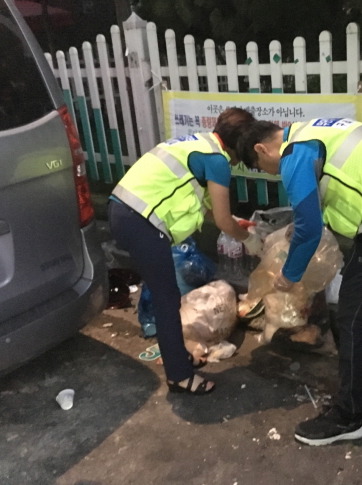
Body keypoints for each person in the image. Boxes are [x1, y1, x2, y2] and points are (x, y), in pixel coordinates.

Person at [237, 118, 362, 445]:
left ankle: (347, 417)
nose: (269, 172)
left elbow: (310, 230)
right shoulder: (310, 132)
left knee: (353, 317)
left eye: (260, 165)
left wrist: (290, 274)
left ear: (261, 148)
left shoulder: (293, 155)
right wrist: (299, 225)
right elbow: (340, 186)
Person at [109, 108, 262, 395]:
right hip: (140, 220)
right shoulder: (218, 160)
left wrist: (236, 223)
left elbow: (207, 208)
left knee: (166, 295)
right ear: (240, 143)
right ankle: (179, 377)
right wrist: (249, 240)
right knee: (167, 301)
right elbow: (222, 220)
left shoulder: (198, 145)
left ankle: (179, 358)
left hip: (125, 212)